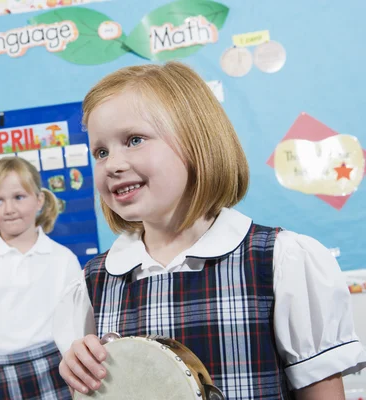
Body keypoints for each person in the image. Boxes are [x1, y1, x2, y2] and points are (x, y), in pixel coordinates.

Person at [53, 62, 366, 400]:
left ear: (196, 142)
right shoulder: (93, 283)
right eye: (101, 151)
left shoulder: (279, 260)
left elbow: (321, 392)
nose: (112, 164)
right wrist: (82, 370)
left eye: (134, 140)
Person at [0, 157, 80, 400]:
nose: (9, 209)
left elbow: (78, 331)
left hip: (57, 371)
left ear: (39, 199)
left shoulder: (64, 259)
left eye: (19, 197)